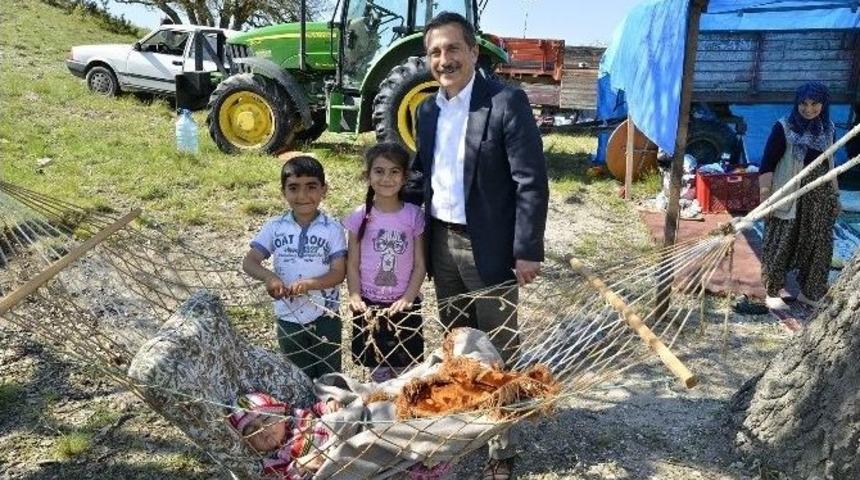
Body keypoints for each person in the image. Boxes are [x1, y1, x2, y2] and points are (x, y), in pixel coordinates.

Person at [405, 11, 549, 480]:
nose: (443, 60)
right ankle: (465, 425)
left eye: (452, 49)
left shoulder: (506, 102)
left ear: (472, 52)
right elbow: (420, 176)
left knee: (498, 350)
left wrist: (527, 249)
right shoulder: (428, 110)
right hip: (442, 243)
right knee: (457, 344)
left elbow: (531, 181)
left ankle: (501, 449)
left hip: (490, 247)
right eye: (434, 52)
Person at [243, 156, 347, 379]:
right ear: (283, 192)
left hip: (325, 316)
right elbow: (250, 262)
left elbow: (339, 273)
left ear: (323, 190)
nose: (302, 196)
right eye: (293, 188)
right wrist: (270, 278)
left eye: (311, 187)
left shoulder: (332, 229)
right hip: (288, 317)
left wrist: (311, 284)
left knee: (330, 375)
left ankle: (331, 411)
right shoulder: (275, 227)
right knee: (298, 374)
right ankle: (306, 413)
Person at [344, 143, 427, 383]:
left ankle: (403, 414)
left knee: (406, 374)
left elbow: (420, 264)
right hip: (369, 307)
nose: (386, 178)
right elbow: (352, 263)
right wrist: (355, 295)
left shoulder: (414, 215)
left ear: (405, 178)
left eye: (394, 172)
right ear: (367, 175)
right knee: (378, 374)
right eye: (379, 171)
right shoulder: (359, 216)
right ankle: (382, 414)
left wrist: (408, 298)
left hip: (403, 306)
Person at [760, 81, 839, 311]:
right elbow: (767, 165)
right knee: (782, 240)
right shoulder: (783, 128)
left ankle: (810, 292)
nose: (809, 109)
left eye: (815, 104)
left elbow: (831, 164)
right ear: (797, 104)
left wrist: (836, 195)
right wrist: (766, 198)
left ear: (823, 104)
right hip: (790, 192)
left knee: (820, 244)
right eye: (803, 104)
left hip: (820, 194)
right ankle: (772, 291)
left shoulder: (829, 129)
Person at [227, 392, 340, 478]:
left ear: (281, 414)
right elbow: (282, 477)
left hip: (337, 438)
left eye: (266, 418)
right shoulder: (270, 462)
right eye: (252, 430)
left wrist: (328, 406)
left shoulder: (296, 418)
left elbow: (315, 410)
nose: (263, 429)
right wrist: (300, 466)